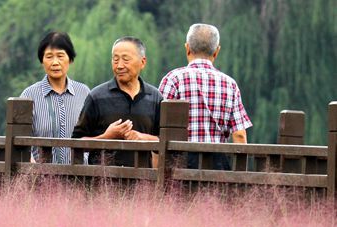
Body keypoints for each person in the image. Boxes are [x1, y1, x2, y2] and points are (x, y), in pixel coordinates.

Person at [158, 23, 252, 170]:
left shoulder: (173, 79)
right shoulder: (230, 84)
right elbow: (239, 136)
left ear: (187, 48)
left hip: (180, 163)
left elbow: (158, 125)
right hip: (218, 164)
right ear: (216, 51)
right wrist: (239, 177)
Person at [72, 37, 162, 166]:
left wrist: (143, 138)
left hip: (143, 182)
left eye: (126, 60)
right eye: (115, 59)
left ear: (142, 62)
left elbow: (166, 142)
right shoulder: (96, 96)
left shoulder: (155, 97)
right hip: (102, 181)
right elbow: (76, 142)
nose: (119, 66)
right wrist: (107, 137)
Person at [19, 31, 90, 164]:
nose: (55, 62)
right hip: (43, 179)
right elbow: (19, 141)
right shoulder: (29, 95)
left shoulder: (84, 92)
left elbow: (93, 135)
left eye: (60, 56)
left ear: (70, 59)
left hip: (81, 177)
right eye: (49, 57)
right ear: (42, 61)